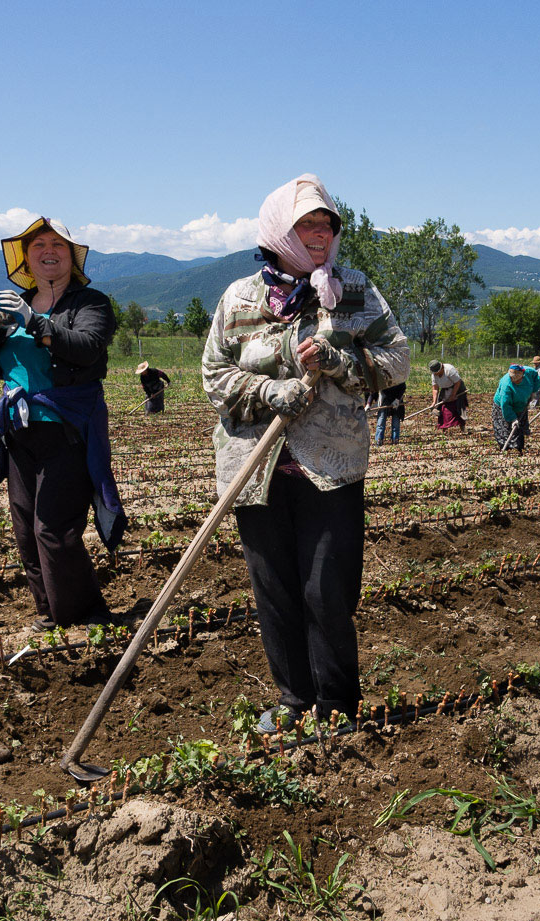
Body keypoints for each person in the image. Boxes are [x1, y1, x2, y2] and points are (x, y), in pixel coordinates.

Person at [202, 173, 409, 732]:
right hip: (256, 467)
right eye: (306, 223)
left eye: (326, 224)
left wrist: (343, 364)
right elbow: (213, 373)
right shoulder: (240, 298)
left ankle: (338, 706)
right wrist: (270, 391)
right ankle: (294, 702)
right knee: (274, 591)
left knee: (327, 589)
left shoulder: (355, 290)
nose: (319, 233)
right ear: (277, 230)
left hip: (331, 466)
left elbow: (397, 359)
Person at [0, 217, 126, 630]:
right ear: (27, 258)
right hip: (19, 432)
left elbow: (86, 348)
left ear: (70, 257)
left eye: (57, 244)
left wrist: (33, 322)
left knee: (52, 529)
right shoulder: (13, 304)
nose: (48, 251)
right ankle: (48, 613)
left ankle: (86, 613)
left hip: (67, 429)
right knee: (24, 530)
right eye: (38, 244)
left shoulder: (90, 303)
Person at [493, 363, 539, 451]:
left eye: (516, 380)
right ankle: (506, 448)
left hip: (521, 405)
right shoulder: (506, 385)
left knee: (520, 427)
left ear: (522, 376)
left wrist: (534, 392)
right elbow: (505, 405)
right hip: (503, 406)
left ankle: (519, 447)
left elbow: (536, 377)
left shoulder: (529, 372)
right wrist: (513, 419)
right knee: (505, 428)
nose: (513, 380)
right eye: (512, 379)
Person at [430, 360, 468, 431]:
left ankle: (462, 428)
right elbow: (435, 388)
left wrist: (453, 395)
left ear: (441, 368)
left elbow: (457, 382)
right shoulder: (434, 375)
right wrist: (434, 402)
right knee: (444, 409)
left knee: (458, 409)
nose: (435, 374)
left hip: (457, 389)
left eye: (437, 372)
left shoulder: (449, 370)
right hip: (445, 391)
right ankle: (444, 429)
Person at [371, 380, 407, 445]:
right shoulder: (381, 378)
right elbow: (373, 392)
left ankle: (395, 440)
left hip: (397, 399)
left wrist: (397, 400)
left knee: (396, 423)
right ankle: (378, 440)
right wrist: (368, 404)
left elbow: (403, 388)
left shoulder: (398, 377)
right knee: (381, 421)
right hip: (385, 398)